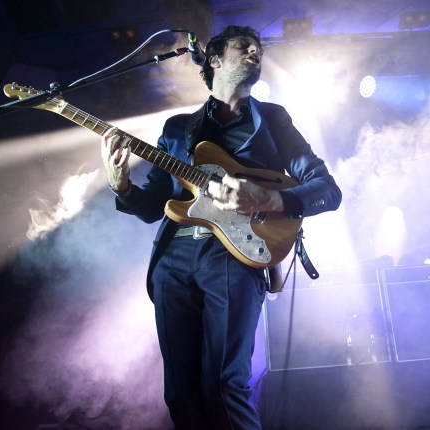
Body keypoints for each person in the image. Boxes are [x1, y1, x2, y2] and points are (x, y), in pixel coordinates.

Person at [100, 25, 341, 429]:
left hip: (233, 254)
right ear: (213, 59)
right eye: (243, 46)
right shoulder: (178, 128)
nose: (255, 52)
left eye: (259, 49)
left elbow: (326, 189)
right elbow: (151, 205)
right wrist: (121, 186)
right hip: (174, 259)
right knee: (180, 392)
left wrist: (270, 199)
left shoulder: (274, 120)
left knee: (224, 385)